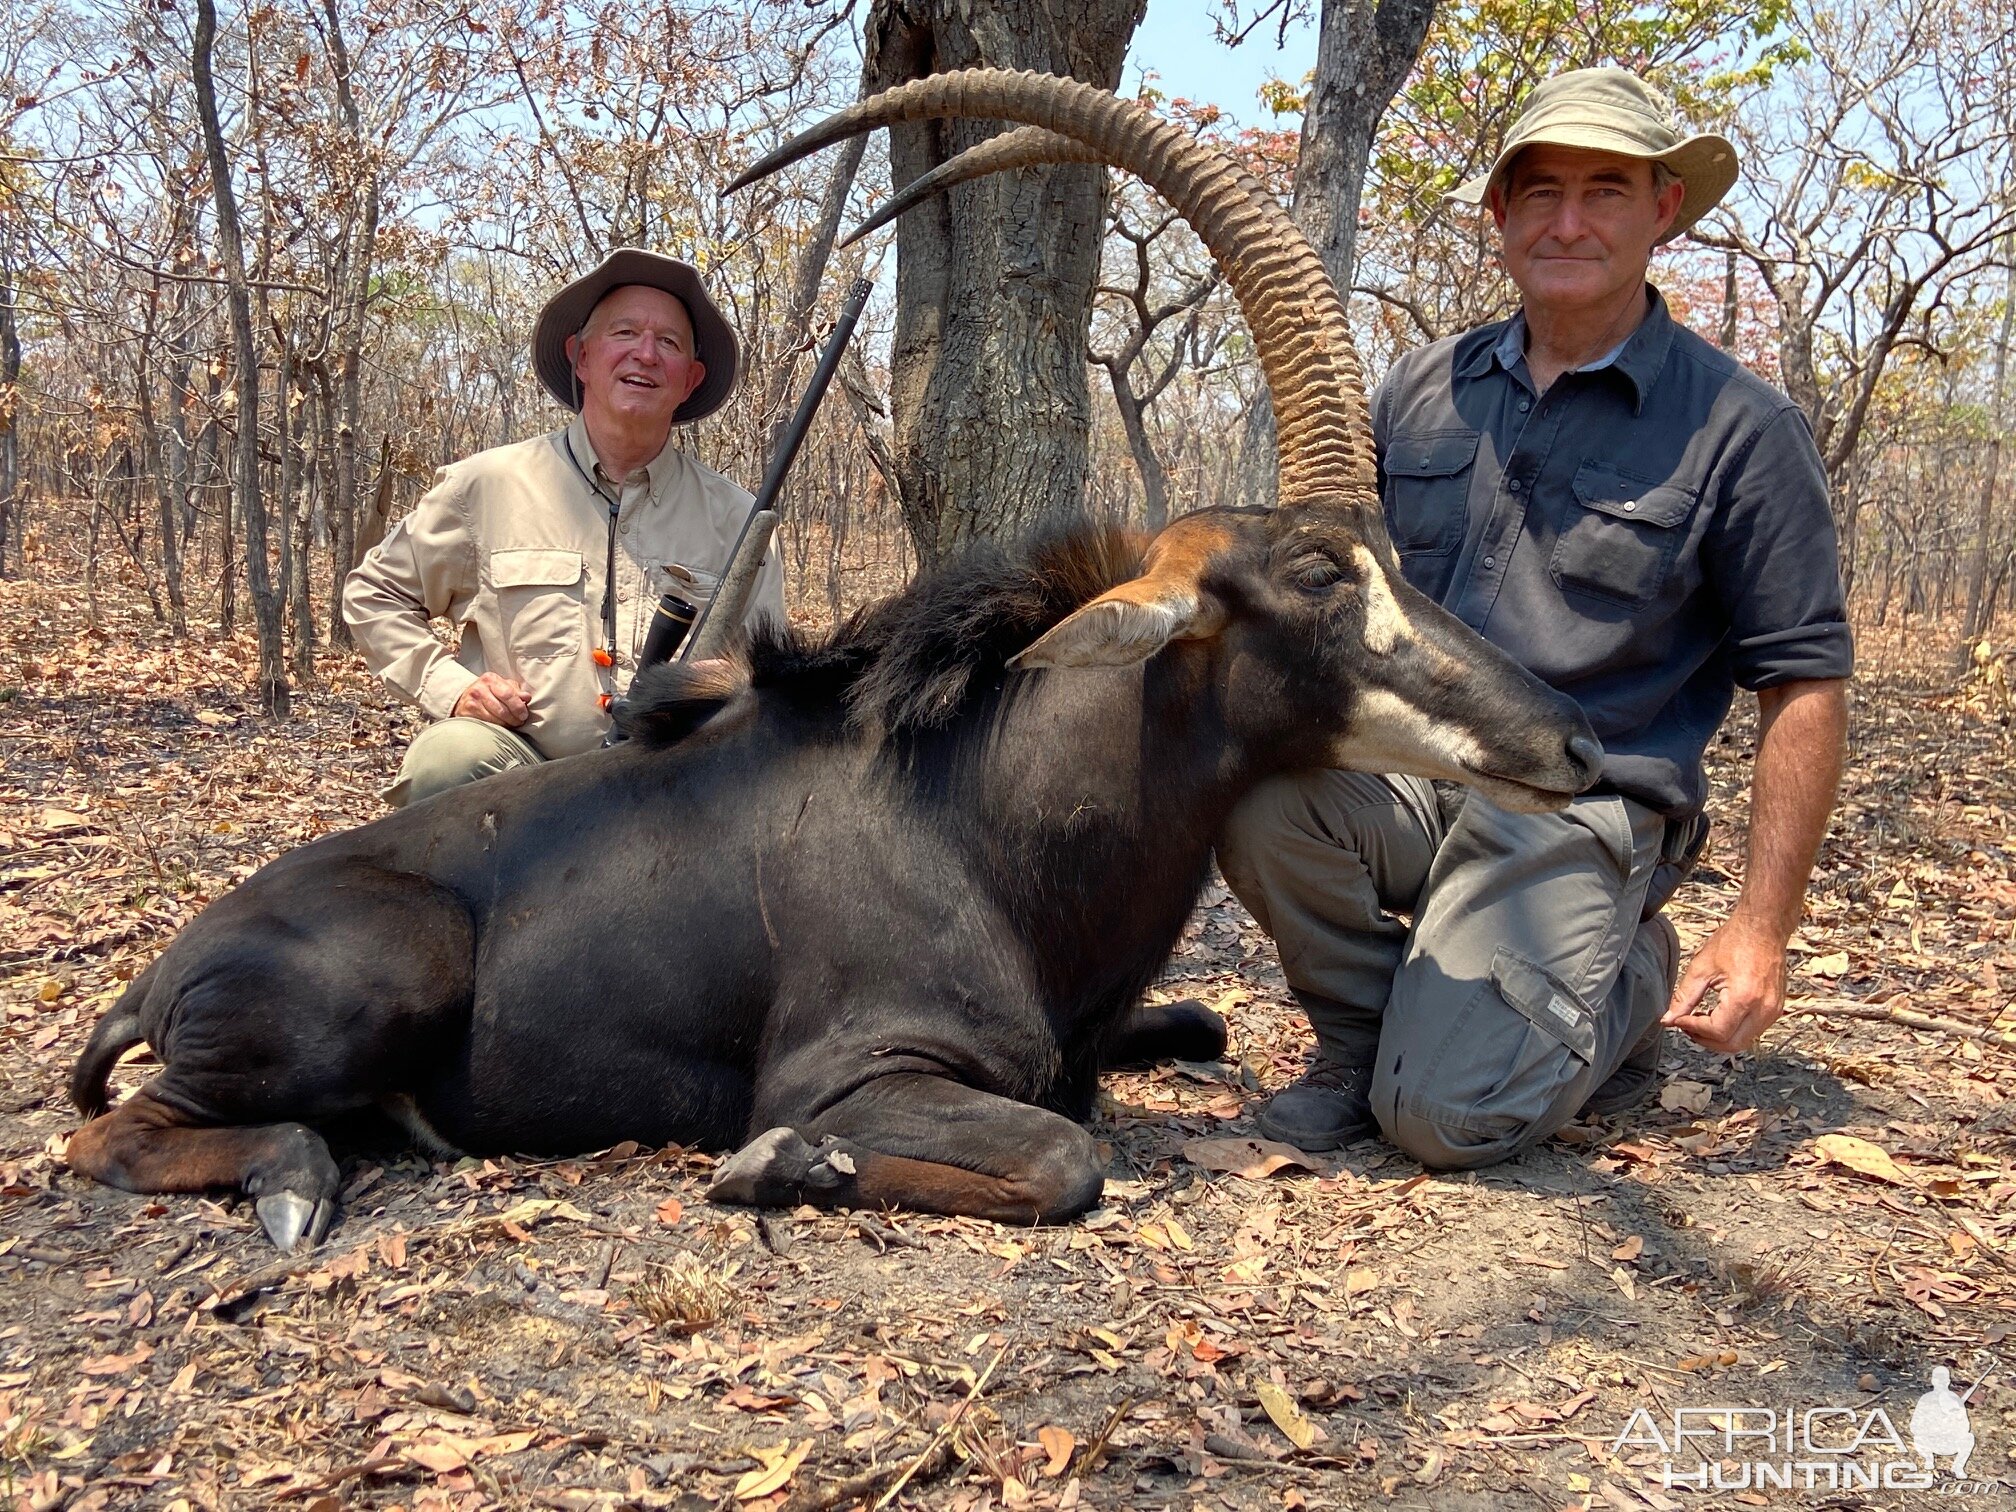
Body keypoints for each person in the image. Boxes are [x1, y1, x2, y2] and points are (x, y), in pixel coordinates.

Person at [1217, 68, 1852, 1167]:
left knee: (1448, 1121)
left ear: (1663, 211)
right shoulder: (1419, 388)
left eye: (1606, 191)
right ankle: (1362, 1040)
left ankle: (1625, 971)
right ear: (1500, 214)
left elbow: (1805, 683)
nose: (1568, 222)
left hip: (1578, 803)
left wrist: (1760, 931)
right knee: (1257, 787)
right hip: (1422, 772)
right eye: (1540, 190)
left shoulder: (1743, 428)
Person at [343, 249, 785, 806]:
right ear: (581, 356)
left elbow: (768, 676)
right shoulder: (484, 486)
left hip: (675, 781)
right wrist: (453, 689)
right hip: (523, 774)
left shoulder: (740, 519)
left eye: (669, 343)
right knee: (446, 760)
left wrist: (726, 685)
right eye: (624, 332)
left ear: (691, 379)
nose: (645, 354)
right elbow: (374, 593)